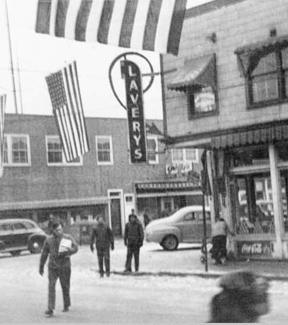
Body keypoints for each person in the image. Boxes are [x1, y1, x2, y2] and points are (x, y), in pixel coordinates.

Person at [39, 222, 78, 317]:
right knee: (51, 286)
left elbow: (76, 247)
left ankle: (66, 304)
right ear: (53, 231)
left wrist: (69, 251)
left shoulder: (67, 237)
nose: (60, 231)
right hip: (53, 266)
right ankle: (50, 308)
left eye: (61, 229)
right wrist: (41, 266)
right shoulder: (48, 240)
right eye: (57, 230)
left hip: (64, 265)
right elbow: (44, 253)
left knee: (65, 286)